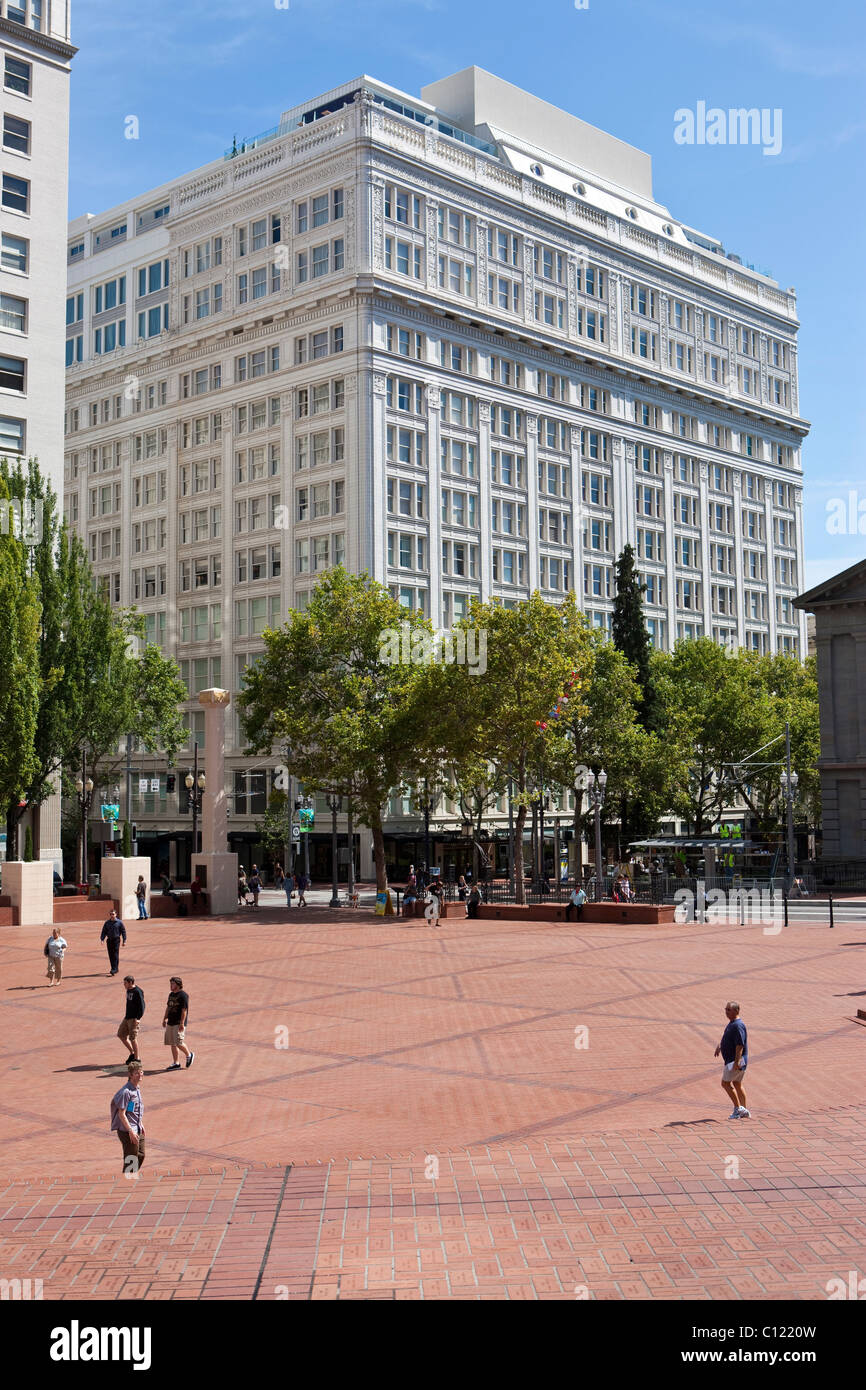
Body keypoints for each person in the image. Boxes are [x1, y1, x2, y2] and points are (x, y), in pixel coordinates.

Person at [714, 1001, 750, 1119]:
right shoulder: (732, 1023)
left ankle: (737, 1109)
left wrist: (736, 1062)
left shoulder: (737, 1025)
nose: (726, 1012)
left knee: (725, 1083)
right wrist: (720, 1046)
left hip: (733, 1062)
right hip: (734, 1061)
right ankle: (744, 1110)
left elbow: (740, 1045)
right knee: (737, 1083)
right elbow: (727, 1038)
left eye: (729, 1010)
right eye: (726, 1009)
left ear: (736, 1011)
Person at [111, 1060, 145, 1176]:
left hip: (137, 1127)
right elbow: (122, 1113)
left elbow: (131, 1109)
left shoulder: (136, 1089)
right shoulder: (126, 1092)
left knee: (141, 1154)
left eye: (141, 1072)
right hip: (127, 1131)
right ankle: (127, 1182)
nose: (140, 1075)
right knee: (131, 1158)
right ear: (130, 1075)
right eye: (136, 1073)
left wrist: (140, 1124)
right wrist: (130, 1131)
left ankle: (130, 1177)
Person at [163, 975, 194, 1070]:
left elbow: (184, 1010)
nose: (171, 985)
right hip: (171, 1022)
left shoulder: (183, 995)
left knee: (178, 1042)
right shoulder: (171, 995)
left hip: (178, 1022)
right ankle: (176, 1063)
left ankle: (189, 1055)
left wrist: (181, 1023)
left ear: (178, 985)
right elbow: (168, 1007)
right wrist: (164, 1018)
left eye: (173, 983)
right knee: (172, 1043)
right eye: (171, 983)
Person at [118, 974, 145, 1062]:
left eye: (125, 983)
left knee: (133, 1038)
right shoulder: (128, 990)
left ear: (130, 982)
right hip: (127, 1017)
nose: (124, 985)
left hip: (134, 1018)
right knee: (121, 1035)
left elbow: (142, 1006)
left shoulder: (137, 991)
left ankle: (137, 1058)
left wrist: (138, 1018)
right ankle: (132, 1053)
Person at [100, 908, 127, 976]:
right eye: (111, 914)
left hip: (116, 940)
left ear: (116, 914)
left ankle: (114, 969)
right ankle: (113, 968)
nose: (112, 915)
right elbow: (104, 931)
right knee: (110, 955)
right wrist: (102, 939)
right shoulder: (107, 923)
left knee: (115, 954)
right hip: (109, 940)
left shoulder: (119, 922)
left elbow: (123, 931)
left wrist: (124, 940)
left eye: (113, 914)